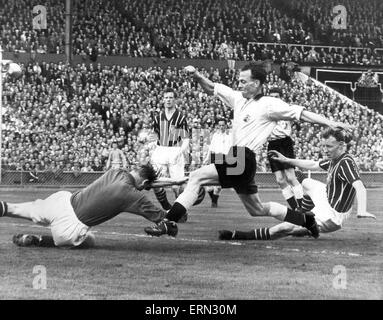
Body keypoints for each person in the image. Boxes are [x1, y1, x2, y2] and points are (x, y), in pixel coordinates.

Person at [145, 63, 352, 238]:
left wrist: (331, 122)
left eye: (244, 81)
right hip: (240, 160)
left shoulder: (270, 104)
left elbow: (303, 114)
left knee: (197, 177)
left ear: (257, 83)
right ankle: (305, 219)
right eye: (239, 80)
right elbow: (212, 88)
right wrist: (197, 75)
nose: (239, 83)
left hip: (242, 157)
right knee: (257, 209)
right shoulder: (237, 98)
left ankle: (168, 222)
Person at [218, 129, 376, 241]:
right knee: (304, 181)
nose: (325, 150)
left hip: (332, 214)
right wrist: (287, 160)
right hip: (325, 196)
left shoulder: (346, 163)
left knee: (285, 228)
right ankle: (304, 218)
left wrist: (362, 210)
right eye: (324, 146)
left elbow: (360, 187)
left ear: (341, 145)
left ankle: (241, 235)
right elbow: (313, 164)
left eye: (329, 146)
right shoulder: (335, 159)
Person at [2, 164, 168, 248]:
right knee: (90, 240)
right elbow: (166, 217)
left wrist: (148, 183)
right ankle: (38, 240)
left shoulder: (115, 171)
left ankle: (4, 207)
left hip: (61, 203)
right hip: (71, 227)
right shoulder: (134, 196)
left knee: (14, 208)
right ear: (146, 183)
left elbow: (133, 180)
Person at [151, 88, 190, 221]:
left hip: (175, 150)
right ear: (163, 100)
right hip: (160, 150)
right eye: (166, 97)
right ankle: (168, 208)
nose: (168, 100)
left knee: (177, 186)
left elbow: (186, 138)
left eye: (170, 98)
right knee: (156, 183)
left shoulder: (180, 117)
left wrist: (180, 152)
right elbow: (155, 135)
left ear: (175, 100)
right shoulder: (157, 117)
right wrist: (149, 144)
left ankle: (181, 210)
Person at [267, 87, 303, 210]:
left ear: (281, 97)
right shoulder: (265, 110)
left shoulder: (287, 108)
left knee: (291, 177)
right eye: (272, 96)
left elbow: (299, 120)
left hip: (284, 142)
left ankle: (303, 207)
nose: (274, 99)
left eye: (276, 96)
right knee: (280, 179)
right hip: (272, 144)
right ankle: (295, 208)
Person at [203, 119, 232, 207]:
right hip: (216, 157)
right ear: (218, 126)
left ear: (226, 126)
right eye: (220, 125)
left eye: (223, 125)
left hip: (226, 158)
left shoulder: (230, 136)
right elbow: (211, 148)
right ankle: (214, 200)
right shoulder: (215, 135)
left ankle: (214, 202)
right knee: (210, 186)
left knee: (219, 184)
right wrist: (207, 158)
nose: (221, 127)